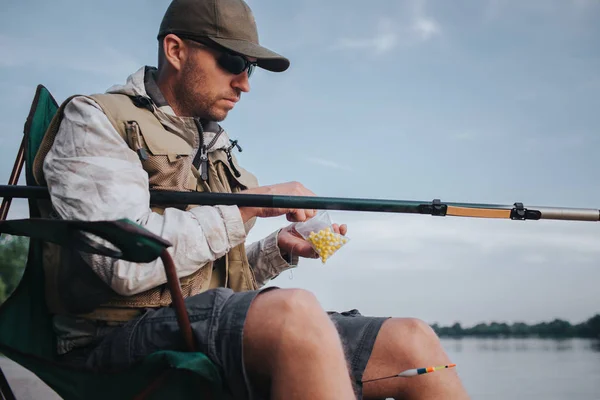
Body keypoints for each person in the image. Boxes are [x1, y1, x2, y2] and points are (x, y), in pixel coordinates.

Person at [34, 0, 470, 398]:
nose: (244, 83)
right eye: (233, 62)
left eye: (251, 69)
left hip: (201, 323)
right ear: (175, 50)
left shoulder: (217, 149)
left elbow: (217, 283)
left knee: (413, 341)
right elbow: (124, 264)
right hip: (109, 339)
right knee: (294, 314)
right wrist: (246, 205)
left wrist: (277, 250)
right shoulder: (96, 120)